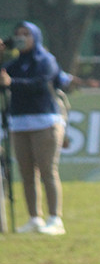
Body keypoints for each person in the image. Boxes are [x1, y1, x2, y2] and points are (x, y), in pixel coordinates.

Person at [0, 21, 66, 235]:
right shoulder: (13, 63)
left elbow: (40, 83)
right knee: (27, 173)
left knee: (47, 171)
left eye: (25, 34)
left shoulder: (46, 60)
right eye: (17, 34)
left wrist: (13, 83)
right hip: (19, 122)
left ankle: (55, 219)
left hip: (44, 121)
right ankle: (34, 218)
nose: (21, 37)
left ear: (35, 36)